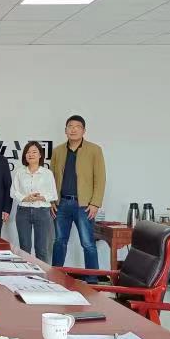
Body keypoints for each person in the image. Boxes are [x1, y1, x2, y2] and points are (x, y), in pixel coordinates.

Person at [50, 115, 106, 281]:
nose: (73, 129)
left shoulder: (94, 150)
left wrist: (95, 203)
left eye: (77, 127)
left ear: (84, 130)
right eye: (70, 126)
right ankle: (55, 277)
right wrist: (52, 201)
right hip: (62, 203)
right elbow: (51, 178)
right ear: (65, 130)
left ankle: (92, 280)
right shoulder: (58, 151)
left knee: (88, 243)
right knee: (59, 241)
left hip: (84, 205)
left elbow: (100, 178)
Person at [11, 141, 57, 262]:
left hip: (42, 212)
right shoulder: (20, 172)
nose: (30, 154)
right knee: (24, 248)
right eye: (28, 152)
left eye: (34, 152)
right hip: (23, 212)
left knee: (41, 249)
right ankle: (25, 272)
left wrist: (40, 197)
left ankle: (42, 273)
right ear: (25, 155)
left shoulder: (47, 173)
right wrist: (25, 198)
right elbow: (13, 191)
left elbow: (53, 194)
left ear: (40, 155)